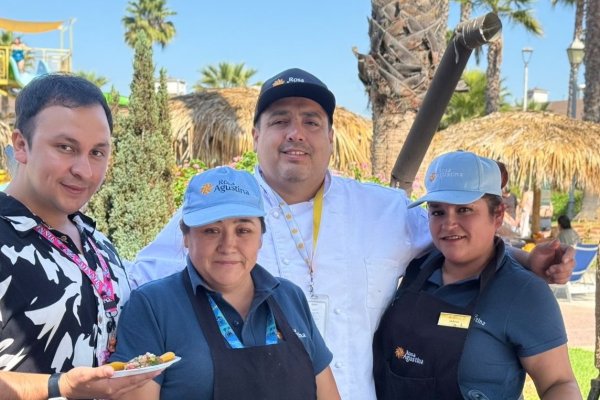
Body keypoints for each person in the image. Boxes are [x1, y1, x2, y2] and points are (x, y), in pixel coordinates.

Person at [128, 68, 576, 400]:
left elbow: (457, 233)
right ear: (256, 134)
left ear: (330, 135)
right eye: (280, 120)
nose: (296, 133)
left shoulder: (381, 209)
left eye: (311, 121)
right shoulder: (216, 212)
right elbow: (135, 283)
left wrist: (525, 258)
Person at [111, 167, 339, 399]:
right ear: (186, 236)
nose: (228, 245)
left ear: (261, 237)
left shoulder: (289, 296)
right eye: (212, 230)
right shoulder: (153, 306)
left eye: (243, 230)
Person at [373, 151, 580, 399]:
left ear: (498, 215)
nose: (448, 224)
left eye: (464, 210)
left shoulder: (523, 292)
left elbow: (559, 383)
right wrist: (526, 257)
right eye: (438, 211)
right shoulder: (417, 264)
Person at [0, 74, 158, 399]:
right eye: (65, 148)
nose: (84, 171)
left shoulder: (100, 245)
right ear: (21, 145)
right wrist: (60, 386)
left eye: (97, 153)